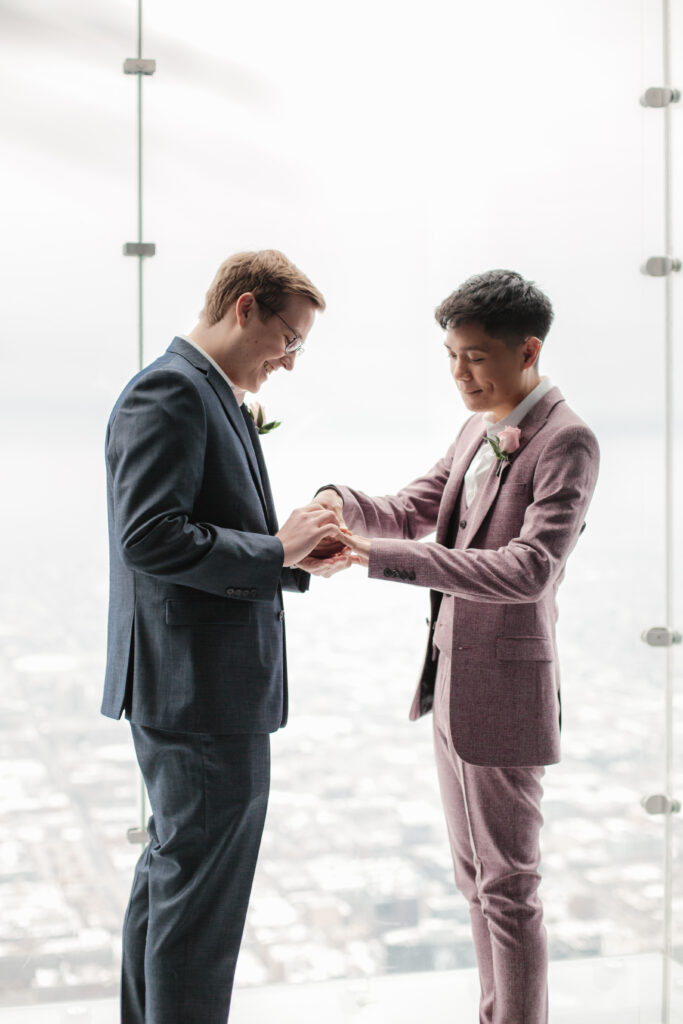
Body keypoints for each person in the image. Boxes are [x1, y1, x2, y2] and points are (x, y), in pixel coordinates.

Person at [316, 270, 600, 1024]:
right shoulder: (478, 428)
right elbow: (414, 505)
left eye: (474, 357)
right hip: (448, 684)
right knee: (473, 879)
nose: (459, 374)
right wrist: (335, 503)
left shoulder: (565, 440)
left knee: (509, 885)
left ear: (528, 350)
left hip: (505, 691)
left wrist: (376, 560)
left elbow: (528, 569)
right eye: (450, 355)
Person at [101, 249, 341, 1024]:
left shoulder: (208, 392)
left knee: (176, 882)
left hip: (199, 683)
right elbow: (151, 536)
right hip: (198, 690)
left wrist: (290, 558)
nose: (290, 362)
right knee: (200, 908)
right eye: (289, 340)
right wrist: (276, 550)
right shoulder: (172, 390)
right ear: (245, 308)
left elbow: (191, 530)